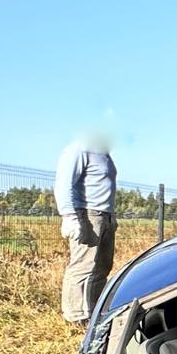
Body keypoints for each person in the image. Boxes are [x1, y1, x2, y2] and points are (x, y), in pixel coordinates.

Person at [53, 134, 118, 326]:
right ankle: (75, 316)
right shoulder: (79, 148)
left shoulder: (104, 152)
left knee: (102, 266)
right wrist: (69, 216)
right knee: (84, 266)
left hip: (105, 215)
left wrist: (111, 217)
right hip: (88, 215)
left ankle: (94, 311)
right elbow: (64, 183)